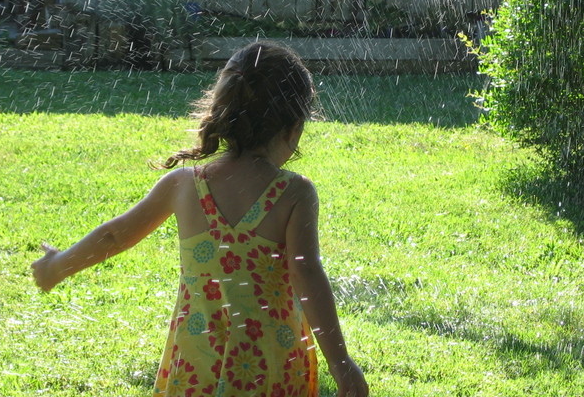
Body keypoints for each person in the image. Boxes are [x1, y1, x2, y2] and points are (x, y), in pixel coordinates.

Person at [31, 41, 368, 397]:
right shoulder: (293, 192)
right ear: (294, 127)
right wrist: (340, 362)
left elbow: (116, 236)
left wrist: (58, 266)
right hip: (271, 365)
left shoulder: (183, 186)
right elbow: (306, 273)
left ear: (220, 112)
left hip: (196, 364)